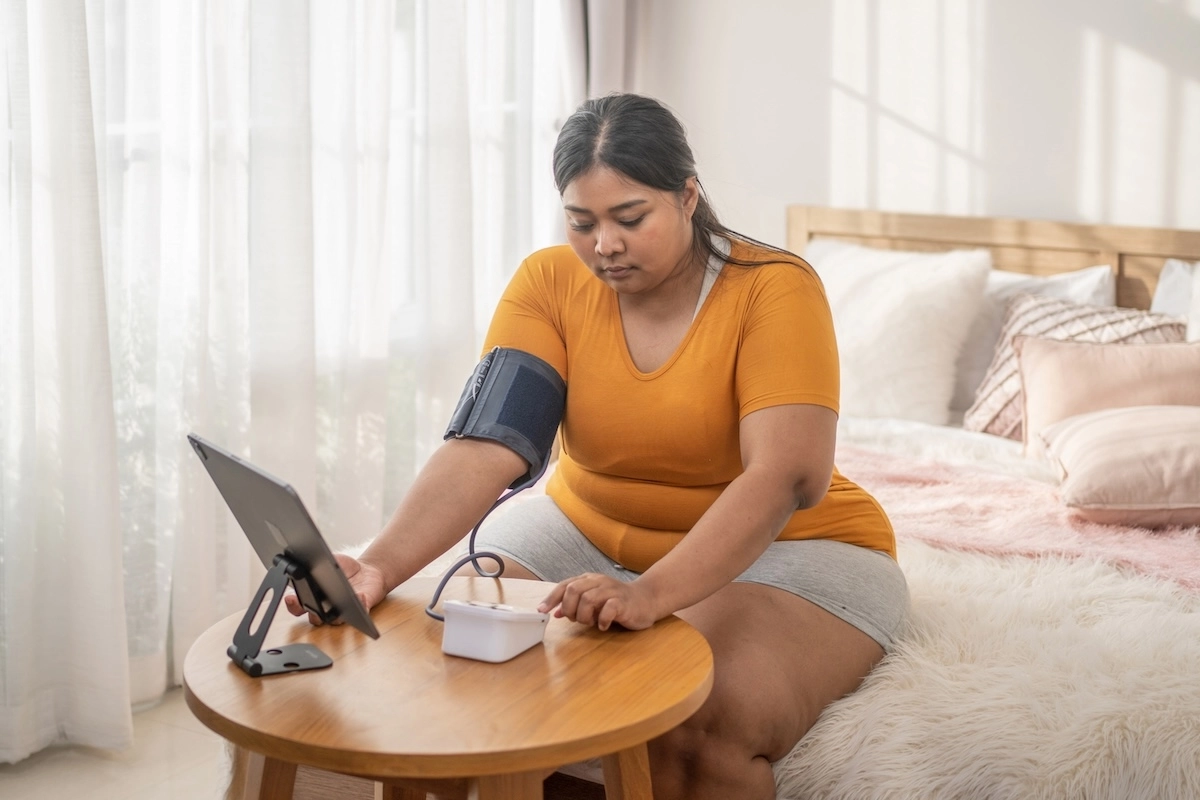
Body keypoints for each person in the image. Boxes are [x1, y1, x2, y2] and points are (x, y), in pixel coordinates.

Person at [286, 92, 908, 800]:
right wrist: (376, 567)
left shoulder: (773, 290)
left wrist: (649, 595)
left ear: (687, 195)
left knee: (689, 719)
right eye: (582, 222)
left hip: (791, 548)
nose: (604, 244)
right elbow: (487, 445)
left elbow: (784, 477)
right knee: (455, 664)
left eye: (629, 218)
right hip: (583, 526)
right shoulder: (550, 283)